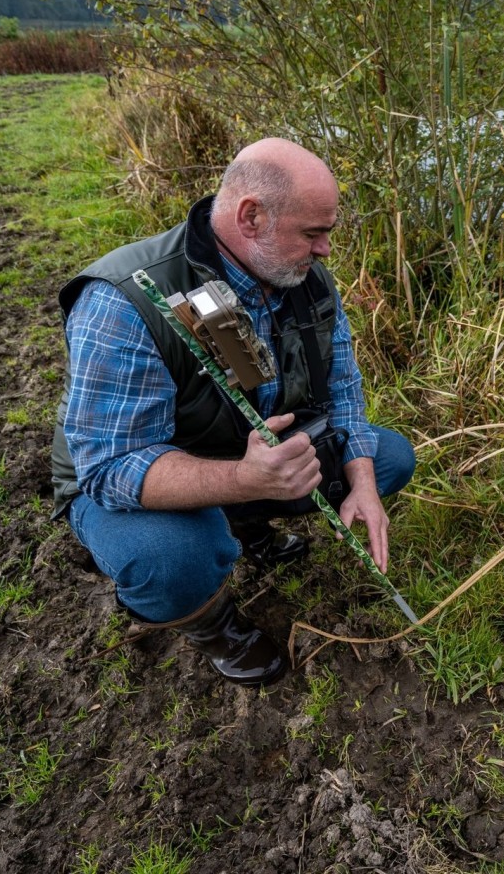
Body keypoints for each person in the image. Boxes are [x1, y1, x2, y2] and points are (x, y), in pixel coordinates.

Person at [50, 138, 415, 687]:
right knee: (170, 558)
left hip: (246, 454)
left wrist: (360, 481)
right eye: (313, 233)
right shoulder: (123, 301)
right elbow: (108, 469)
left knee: (387, 459)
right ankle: (214, 626)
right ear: (251, 217)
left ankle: (245, 527)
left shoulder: (304, 278)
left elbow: (343, 386)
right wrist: (244, 479)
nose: (325, 252)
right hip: (136, 476)